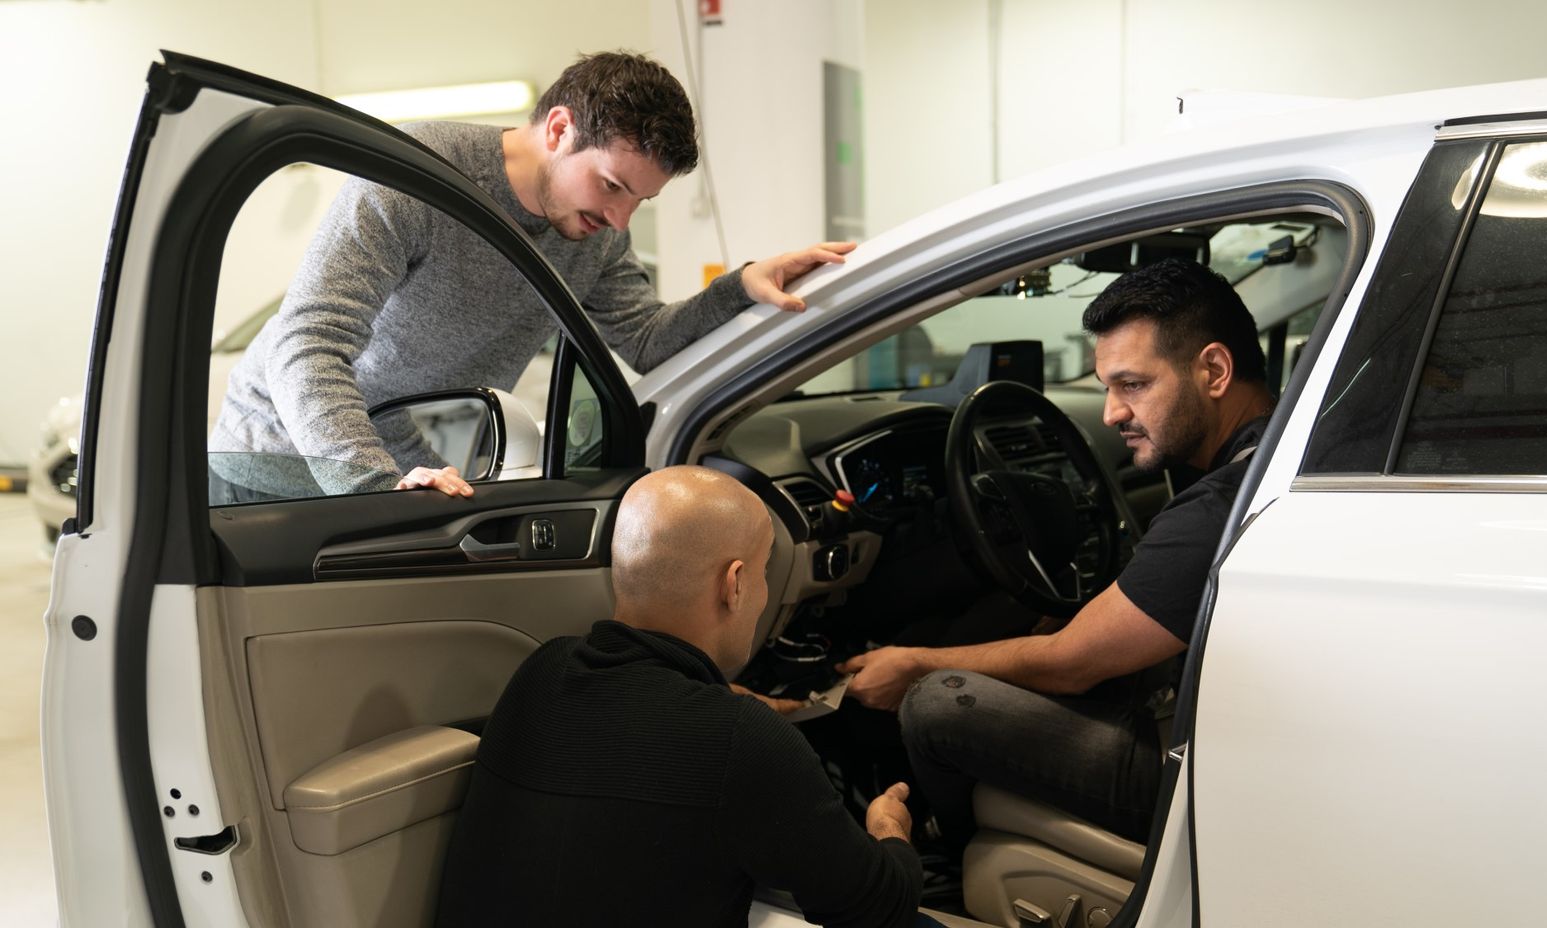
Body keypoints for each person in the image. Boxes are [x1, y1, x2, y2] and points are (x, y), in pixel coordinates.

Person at [209, 51, 853, 499]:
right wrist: (374, 483)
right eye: (611, 186)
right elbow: (309, 341)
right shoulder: (414, 174)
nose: (620, 218)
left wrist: (739, 287)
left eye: (640, 202)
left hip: (400, 469)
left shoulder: (591, 231)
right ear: (559, 127)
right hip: (276, 464)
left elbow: (647, 339)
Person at [838, 258, 1275, 847]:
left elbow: (1071, 663)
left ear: (1215, 370)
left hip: (1193, 774)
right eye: (1107, 389)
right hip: (1233, 740)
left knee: (936, 704)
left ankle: (947, 859)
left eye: (1133, 385)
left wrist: (916, 663)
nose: (1111, 413)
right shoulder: (1269, 458)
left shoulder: (1220, 507)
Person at [436, 466, 923, 928]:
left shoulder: (541, 672)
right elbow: (878, 911)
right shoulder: (741, 739)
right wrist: (888, 828)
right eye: (765, 569)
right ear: (734, 584)